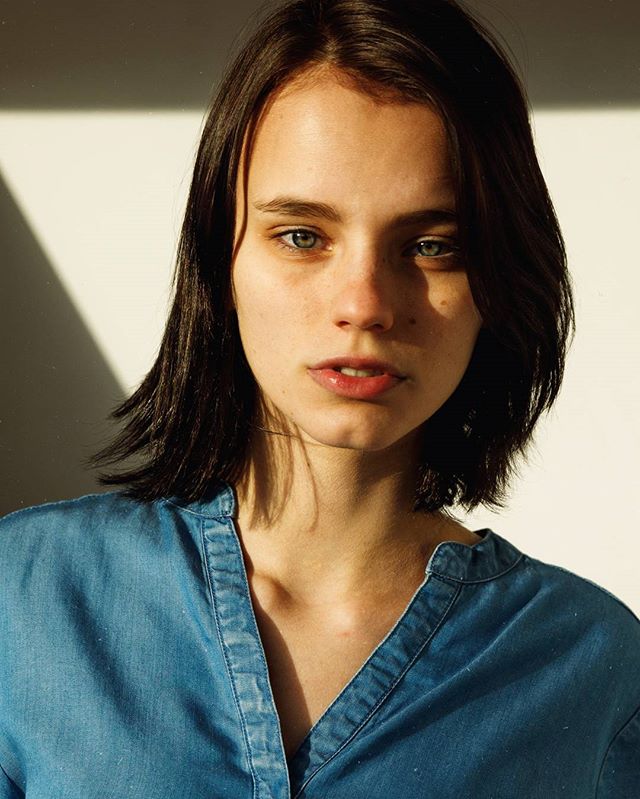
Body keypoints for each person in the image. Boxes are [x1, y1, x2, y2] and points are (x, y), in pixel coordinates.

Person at [1, 0, 638, 796]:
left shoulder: (594, 670)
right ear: (221, 259)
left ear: (499, 282)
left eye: (431, 246)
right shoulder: (27, 596)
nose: (364, 304)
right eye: (302, 235)